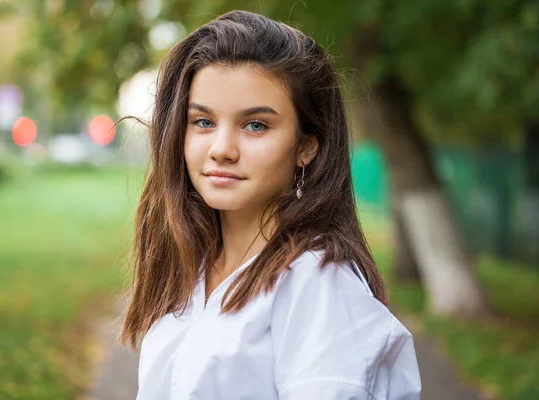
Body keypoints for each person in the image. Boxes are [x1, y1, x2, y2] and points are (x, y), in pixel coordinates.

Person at [120, 10, 421, 400]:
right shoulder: (191, 268)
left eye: (255, 125)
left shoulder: (316, 282)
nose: (222, 149)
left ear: (306, 146)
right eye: (203, 122)